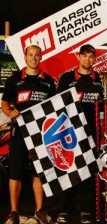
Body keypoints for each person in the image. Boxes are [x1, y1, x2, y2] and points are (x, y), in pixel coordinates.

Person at [1, 44, 56, 224]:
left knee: (38, 172)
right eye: (30, 55)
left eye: (37, 55)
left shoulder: (49, 81)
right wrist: (10, 113)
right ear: (25, 57)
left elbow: (55, 106)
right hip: (19, 132)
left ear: (41, 57)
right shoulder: (14, 79)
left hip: (41, 133)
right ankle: (14, 212)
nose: (33, 58)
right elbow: (5, 103)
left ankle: (39, 210)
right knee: (15, 173)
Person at [56, 44, 104, 224]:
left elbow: (106, 106)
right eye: (84, 56)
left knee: (88, 172)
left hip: (92, 133)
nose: (87, 60)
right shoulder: (67, 78)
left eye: (91, 57)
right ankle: (66, 209)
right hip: (69, 133)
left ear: (94, 59)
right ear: (78, 57)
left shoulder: (100, 79)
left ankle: (86, 209)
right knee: (69, 171)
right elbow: (56, 106)